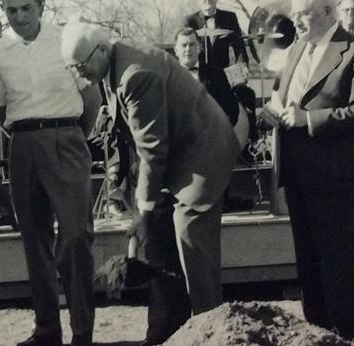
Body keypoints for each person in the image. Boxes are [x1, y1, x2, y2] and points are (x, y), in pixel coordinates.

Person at [60, 21, 240, 321]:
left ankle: (211, 332)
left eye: (80, 66)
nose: (78, 74)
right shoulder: (112, 61)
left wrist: (142, 210)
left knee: (190, 238)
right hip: (178, 156)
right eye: (72, 68)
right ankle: (169, 334)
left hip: (202, 156)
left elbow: (152, 147)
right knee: (163, 238)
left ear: (101, 49)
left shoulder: (135, 74)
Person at [0, 0, 101, 346]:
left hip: (67, 138)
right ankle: (47, 328)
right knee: (35, 240)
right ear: (3, 10)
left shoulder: (65, 40)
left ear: (40, 4)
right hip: (23, 145)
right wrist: (29, 135)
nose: (19, 16)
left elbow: (93, 99)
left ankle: (82, 329)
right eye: (11, 10)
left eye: (26, 8)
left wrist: (70, 136)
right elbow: (0, 110)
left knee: (75, 237)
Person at [261, 0, 354, 341]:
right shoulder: (296, 50)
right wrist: (271, 111)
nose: (296, 22)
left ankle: (346, 337)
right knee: (308, 260)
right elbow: (283, 98)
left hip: (335, 178)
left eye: (304, 15)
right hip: (296, 173)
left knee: (338, 261)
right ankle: (317, 335)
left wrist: (309, 121)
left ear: (329, 12)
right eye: (294, 15)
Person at [184, 0, 257, 143]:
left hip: (223, 74)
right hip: (200, 75)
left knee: (247, 94)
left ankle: (251, 144)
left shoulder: (229, 17)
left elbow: (239, 47)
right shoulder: (190, 20)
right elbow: (185, 50)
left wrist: (242, 70)